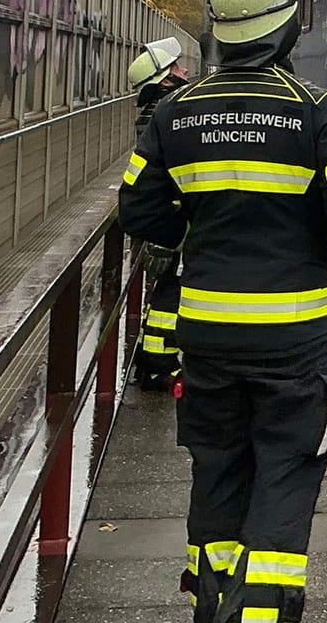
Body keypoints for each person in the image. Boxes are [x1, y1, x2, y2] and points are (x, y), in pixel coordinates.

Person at [119, 0, 327, 623]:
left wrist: (195, 237)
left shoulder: (176, 114)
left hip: (205, 339)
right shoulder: (319, 114)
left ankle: (212, 604)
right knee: (285, 481)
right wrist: (321, 246)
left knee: (218, 472)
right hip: (294, 344)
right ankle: (260, 613)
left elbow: (137, 212)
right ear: (288, 25)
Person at [126, 37, 190, 391]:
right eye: (178, 68)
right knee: (171, 291)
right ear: (165, 79)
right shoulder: (168, 114)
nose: (185, 72)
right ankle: (158, 363)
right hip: (174, 222)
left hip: (163, 219)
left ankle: (154, 359)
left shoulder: (153, 113)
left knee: (165, 290)